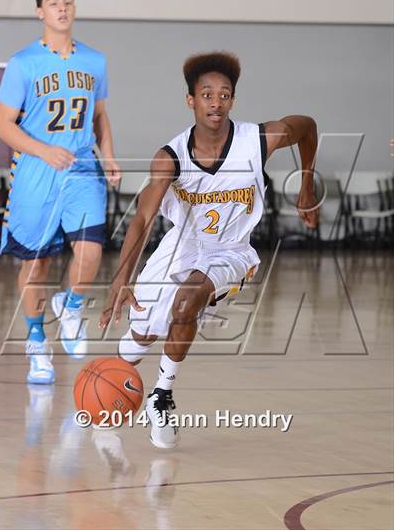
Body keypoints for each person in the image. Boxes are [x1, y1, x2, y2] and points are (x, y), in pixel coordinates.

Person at [99, 52, 318, 448]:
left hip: (232, 251)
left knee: (188, 302)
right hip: (179, 246)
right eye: (206, 95)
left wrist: (306, 183)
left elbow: (307, 127)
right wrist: (121, 278)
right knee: (143, 333)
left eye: (224, 94)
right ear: (191, 101)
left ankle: (161, 396)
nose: (216, 102)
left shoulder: (257, 139)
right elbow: (142, 218)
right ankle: (110, 382)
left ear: (232, 100)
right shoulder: (170, 157)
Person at [0, 0, 121, 384]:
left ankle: (73, 304)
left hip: (82, 166)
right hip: (37, 170)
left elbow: (100, 116)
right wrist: (41, 150)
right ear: (40, 12)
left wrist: (110, 156)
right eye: (53, 3)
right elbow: (1, 125)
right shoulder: (23, 63)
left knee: (90, 250)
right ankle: (37, 344)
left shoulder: (95, 61)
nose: (62, 8)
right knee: (38, 263)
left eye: (67, 1)